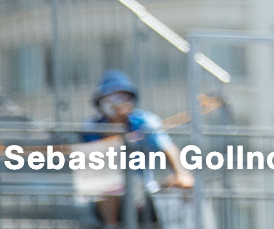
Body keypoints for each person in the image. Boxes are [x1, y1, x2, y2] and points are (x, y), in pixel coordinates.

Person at [79, 70, 194, 226]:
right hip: (101, 200)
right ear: (100, 101)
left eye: (124, 96)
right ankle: (110, 225)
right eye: (112, 97)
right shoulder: (90, 127)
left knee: (179, 189)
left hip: (141, 193)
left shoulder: (144, 121)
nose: (119, 102)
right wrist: (117, 124)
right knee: (107, 181)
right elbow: (100, 155)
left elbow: (167, 148)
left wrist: (181, 173)